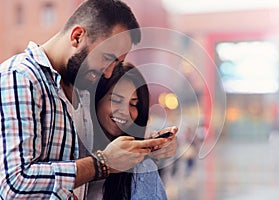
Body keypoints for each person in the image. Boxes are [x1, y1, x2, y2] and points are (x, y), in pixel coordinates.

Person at [0, 0, 174, 199]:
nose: (108, 73)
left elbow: (108, 130)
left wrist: (152, 144)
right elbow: (14, 184)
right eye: (107, 58)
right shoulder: (20, 77)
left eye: (117, 63)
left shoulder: (82, 87)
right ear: (77, 36)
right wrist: (102, 164)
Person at [87, 62, 177, 199]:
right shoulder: (75, 152)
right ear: (96, 99)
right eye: (116, 100)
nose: (125, 112)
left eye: (133, 104)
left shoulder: (141, 168)